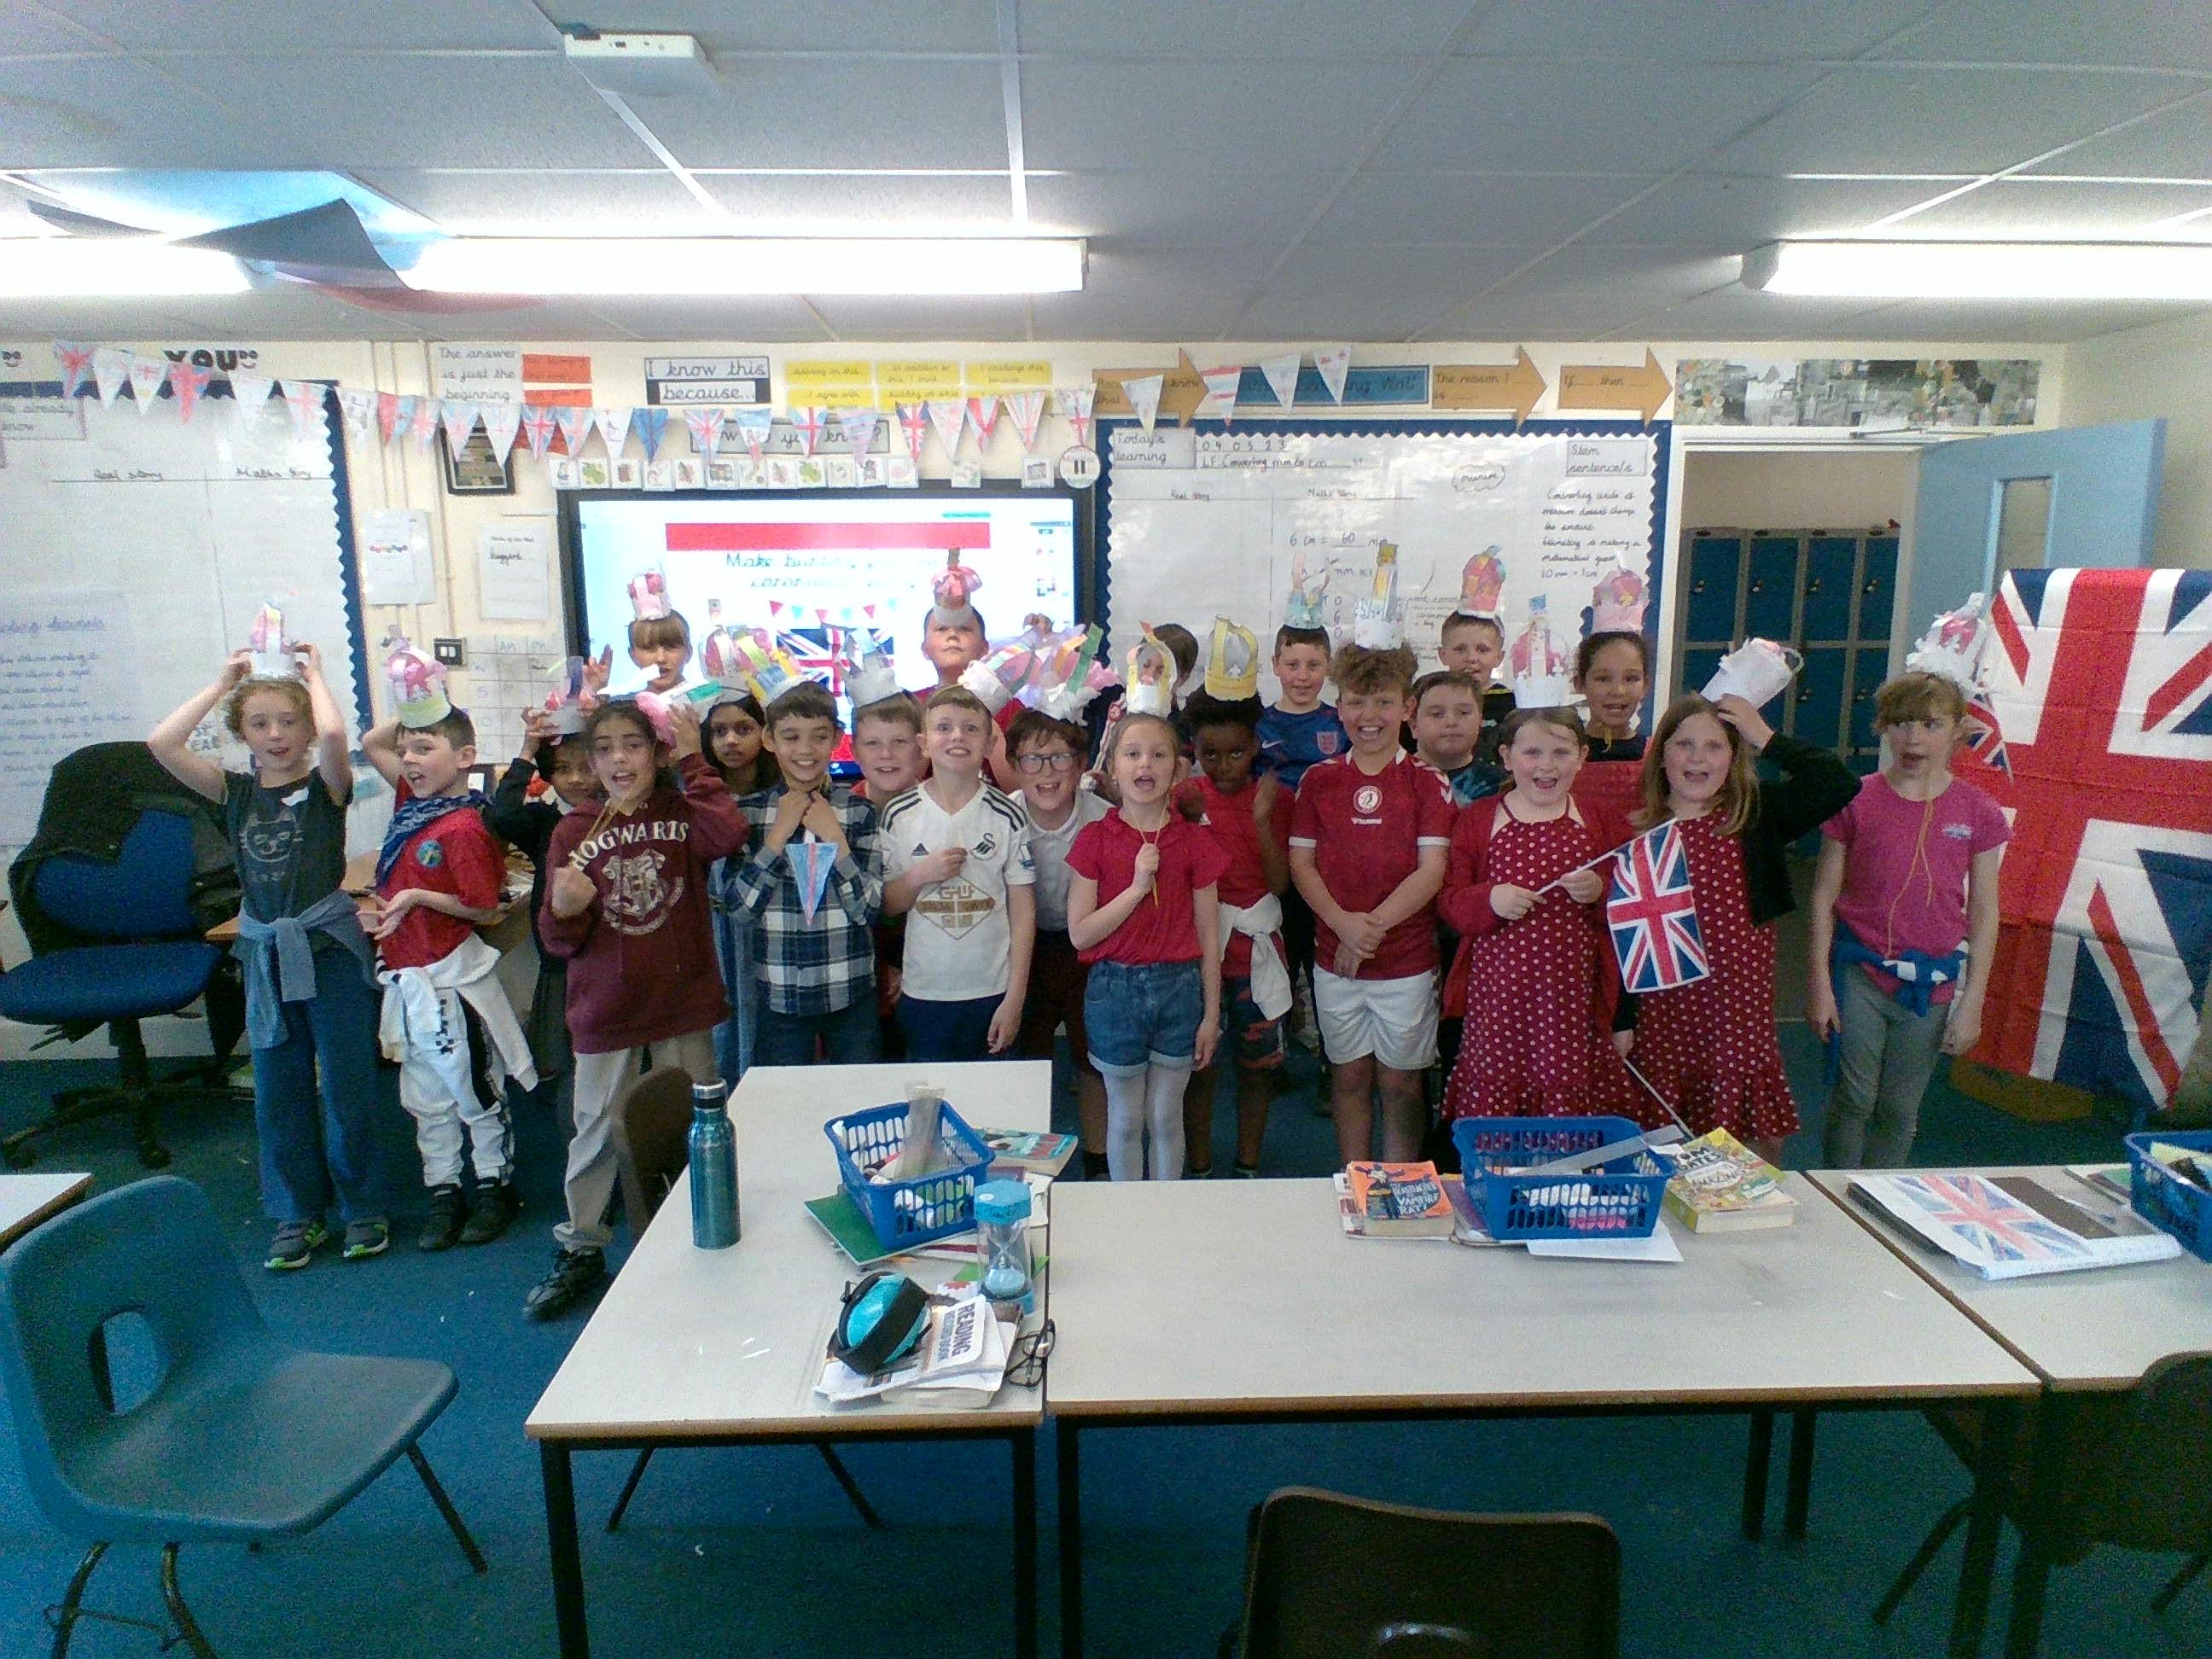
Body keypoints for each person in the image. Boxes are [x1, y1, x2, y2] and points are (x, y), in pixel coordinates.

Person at [148, 646, 390, 1270]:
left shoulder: (326, 786)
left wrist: (316, 678)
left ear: (306, 730)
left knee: (347, 1087)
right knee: (279, 1092)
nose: (276, 734)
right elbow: (162, 744)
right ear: (243, 734)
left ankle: (362, 1206)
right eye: (259, 724)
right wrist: (221, 684)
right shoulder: (233, 793)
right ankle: (297, 1213)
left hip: (329, 954)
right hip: (266, 959)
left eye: (288, 722)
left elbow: (335, 735)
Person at [529, 698, 747, 1320]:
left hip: (682, 1005)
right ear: (592, 761)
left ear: (655, 754)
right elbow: (556, 940)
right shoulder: (575, 830)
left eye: (633, 745)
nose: (619, 759)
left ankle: (701, 1225)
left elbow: (728, 834)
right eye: (605, 749)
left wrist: (693, 760)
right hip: (607, 1012)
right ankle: (582, 1246)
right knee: (595, 1131)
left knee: (699, 1122)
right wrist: (564, 909)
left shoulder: (682, 811)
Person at [1618, 693, 1860, 1162]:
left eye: (1714, 746)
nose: (1698, 758)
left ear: (1733, 757)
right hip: (1663, 1010)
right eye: (1684, 744)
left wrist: (1766, 737)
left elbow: (1836, 783)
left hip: (1736, 1007)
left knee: (1752, 1143)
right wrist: (1622, 1019)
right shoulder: (1637, 831)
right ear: (1661, 755)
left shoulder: (1754, 817)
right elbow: (1623, 938)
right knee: (1663, 1139)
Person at [1809, 672, 2006, 1167]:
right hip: (1861, 972)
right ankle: (1837, 1197)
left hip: (1931, 984)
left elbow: (1985, 910)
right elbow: (1823, 897)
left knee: (1899, 1109)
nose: (1913, 738)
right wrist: (1819, 983)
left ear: (1957, 730)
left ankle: (1881, 1197)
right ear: (1883, 727)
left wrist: (1973, 1001)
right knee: (1854, 1099)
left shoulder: (1978, 810)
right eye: (1900, 723)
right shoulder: (1856, 798)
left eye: (1930, 724)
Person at [359, 704, 533, 1251]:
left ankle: (493, 1184)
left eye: (424, 748)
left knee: (474, 1088)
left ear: (464, 758)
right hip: (408, 975)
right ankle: (444, 1188)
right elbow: (371, 743)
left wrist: (416, 896)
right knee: (425, 1096)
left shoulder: (463, 826)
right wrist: (419, 697)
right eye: (406, 750)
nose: (409, 759)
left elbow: (484, 907)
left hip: (452, 980)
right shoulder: (415, 805)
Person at [1289, 643, 1456, 1164]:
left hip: (1406, 964)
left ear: (1406, 708)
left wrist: (1369, 930)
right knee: (1349, 1077)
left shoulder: (1427, 782)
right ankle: (1356, 1181)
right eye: (1357, 702)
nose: (1370, 716)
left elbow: (1431, 871)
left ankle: (1402, 1186)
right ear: (1339, 707)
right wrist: (1343, 926)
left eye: (1383, 702)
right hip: (1336, 961)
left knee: (1401, 1085)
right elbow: (1302, 865)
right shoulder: (1319, 780)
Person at [1439, 707, 1634, 1123]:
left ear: (1581, 757)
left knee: (1567, 1089)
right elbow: (1450, 901)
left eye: (1561, 753)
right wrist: (1489, 900)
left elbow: (1632, 901)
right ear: (1507, 757)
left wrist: (1600, 891)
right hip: (1499, 999)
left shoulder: (1600, 819)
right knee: (1498, 1092)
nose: (1547, 766)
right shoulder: (1479, 819)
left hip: (1574, 1000)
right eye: (1532, 753)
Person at [1066, 712, 1226, 1179]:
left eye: (1158, 755)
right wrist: (1137, 888)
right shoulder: (1095, 839)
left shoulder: (1194, 842)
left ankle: (1167, 1212)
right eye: (1132, 754)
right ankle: (1129, 1211)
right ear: (1112, 767)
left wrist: (1211, 1015)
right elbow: (1080, 934)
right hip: (1113, 991)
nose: (1145, 765)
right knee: (1125, 1117)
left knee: (1166, 1116)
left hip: (1179, 989)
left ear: (1177, 769)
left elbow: (1209, 935)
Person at [719, 683, 882, 1065]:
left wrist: (836, 839)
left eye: (819, 737)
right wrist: (777, 837)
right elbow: (738, 910)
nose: (805, 750)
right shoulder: (748, 815)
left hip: (850, 989)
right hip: (781, 997)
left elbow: (868, 909)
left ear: (837, 740)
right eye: (791, 737)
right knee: (782, 1096)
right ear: (769, 739)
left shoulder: (858, 812)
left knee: (859, 1093)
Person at [879, 685, 1036, 1062]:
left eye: (970, 728)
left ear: (989, 744)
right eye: (944, 727)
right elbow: (887, 905)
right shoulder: (900, 814)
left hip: (992, 991)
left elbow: (1023, 911)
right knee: (930, 1091)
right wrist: (921, 875)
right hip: (925, 993)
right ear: (923, 743)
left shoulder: (1008, 815)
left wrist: (1015, 998)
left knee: (992, 1094)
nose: (957, 737)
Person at [1176, 692, 1290, 1178]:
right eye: (1211, 754)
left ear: (1256, 746)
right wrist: (1187, 818)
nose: (1224, 766)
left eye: (1237, 753)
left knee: (1258, 1069)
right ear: (1194, 750)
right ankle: (1200, 1168)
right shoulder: (1186, 797)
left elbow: (1281, 884)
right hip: (1198, 953)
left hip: (1255, 952)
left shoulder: (1273, 797)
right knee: (1198, 1068)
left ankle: (1248, 1166)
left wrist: (1262, 820)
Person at [1007, 709, 1112, 1177]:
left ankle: (1098, 1159)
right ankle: (1025, 1165)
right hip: (1024, 946)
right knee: (1028, 1055)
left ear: (1081, 764)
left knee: (1093, 1056)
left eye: (1059, 758)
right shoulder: (1005, 816)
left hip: (1088, 946)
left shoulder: (1103, 818)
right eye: (1032, 759)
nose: (1046, 772)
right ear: (1015, 766)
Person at [489, 708, 600, 1083]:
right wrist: (527, 752)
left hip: (607, 953)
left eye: (587, 767)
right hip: (559, 960)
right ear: (549, 775)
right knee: (566, 1060)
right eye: (564, 769)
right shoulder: (544, 821)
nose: (577, 779)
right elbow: (502, 815)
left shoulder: (618, 817)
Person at [1258, 620, 1342, 1056]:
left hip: (1327, 861)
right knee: (1282, 957)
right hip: (1275, 861)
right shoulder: (1260, 726)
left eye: (1313, 665)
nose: (1303, 676)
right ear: (1275, 665)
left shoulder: (1339, 722)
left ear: (1328, 667)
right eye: (1293, 664)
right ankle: (1277, 1054)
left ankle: (1333, 1055)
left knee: (1324, 960)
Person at [702, 690, 778, 1083]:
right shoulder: (699, 795)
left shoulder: (782, 795)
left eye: (743, 729)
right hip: (714, 932)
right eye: (719, 732)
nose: (730, 741)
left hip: (768, 927)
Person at [852, 692, 928, 1057]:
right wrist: (885, 972)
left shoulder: (941, 808)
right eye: (873, 744)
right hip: (864, 973)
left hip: (930, 966)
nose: (886, 754)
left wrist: (910, 969)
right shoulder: (839, 815)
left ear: (921, 747)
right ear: (855, 752)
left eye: (899, 742)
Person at [1409, 669, 1504, 806]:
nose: (1451, 722)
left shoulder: (1502, 785)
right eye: (1436, 714)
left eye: (1463, 713)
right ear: (1414, 726)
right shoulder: (1391, 781)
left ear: (1480, 721)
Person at [1438, 612, 1516, 758]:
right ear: (1443, 655)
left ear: (1499, 658)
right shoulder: (1431, 700)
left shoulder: (1509, 702)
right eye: (1460, 649)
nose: (1471, 658)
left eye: (1483, 650)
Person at [1575, 631, 1651, 762]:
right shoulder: (1559, 755)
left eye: (1631, 679)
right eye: (1603, 679)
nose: (1618, 691)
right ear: (1580, 684)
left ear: (1645, 685)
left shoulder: (1657, 758)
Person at [628, 610, 691, 696]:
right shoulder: (622, 704)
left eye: (671, 646)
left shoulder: (709, 700)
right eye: (649, 648)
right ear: (633, 656)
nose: (660, 658)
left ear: (688, 652)